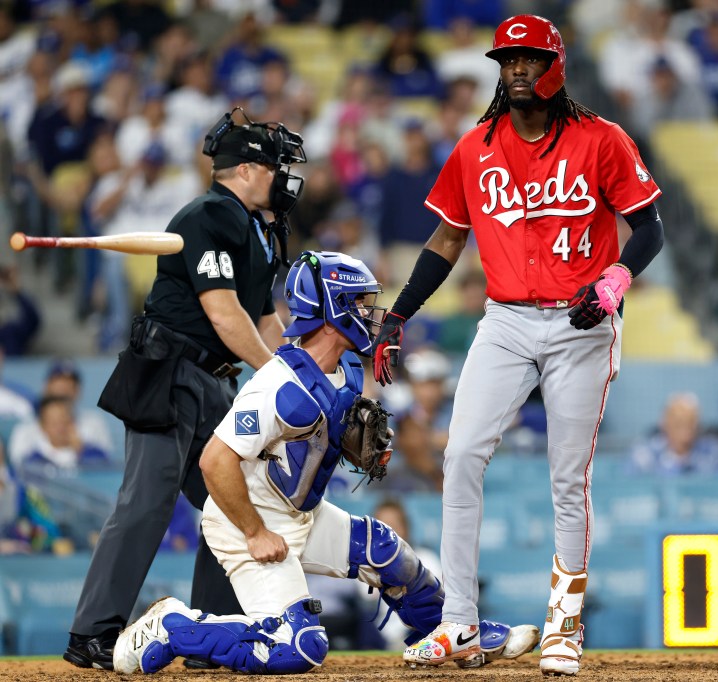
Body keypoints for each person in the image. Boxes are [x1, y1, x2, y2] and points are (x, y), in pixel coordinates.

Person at [370, 15, 665, 675]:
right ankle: (458, 624)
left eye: (530, 59)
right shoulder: (476, 145)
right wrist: (398, 315)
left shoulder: (601, 139)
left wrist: (615, 280)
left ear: (554, 66)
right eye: (509, 61)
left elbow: (647, 228)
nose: (518, 70)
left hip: (579, 324)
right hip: (504, 318)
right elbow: (447, 240)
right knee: (462, 455)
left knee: (567, 477)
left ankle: (564, 625)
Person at [112, 251, 538, 674]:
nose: (369, 312)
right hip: (245, 522)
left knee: (385, 551)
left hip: (297, 512)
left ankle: (457, 632)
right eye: (358, 302)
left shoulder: (348, 368)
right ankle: (170, 627)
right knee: (298, 647)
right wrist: (255, 531)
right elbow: (214, 460)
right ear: (332, 308)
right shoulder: (280, 386)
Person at [64, 111, 307, 670]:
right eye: (276, 166)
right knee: (145, 503)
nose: (286, 177)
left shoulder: (258, 226)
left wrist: (301, 376)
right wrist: (278, 380)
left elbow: (264, 315)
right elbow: (223, 315)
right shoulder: (206, 215)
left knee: (232, 504)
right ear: (246, 170)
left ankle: (214, 637)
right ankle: (92, 634)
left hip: (215, 382)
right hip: (169, 370)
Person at [626, 394, 718, 476]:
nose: (685, 425)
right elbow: (629, 491)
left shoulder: (714, 453)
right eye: (678, 420)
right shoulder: (644, 454)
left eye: (691, 420)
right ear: (663, 423)